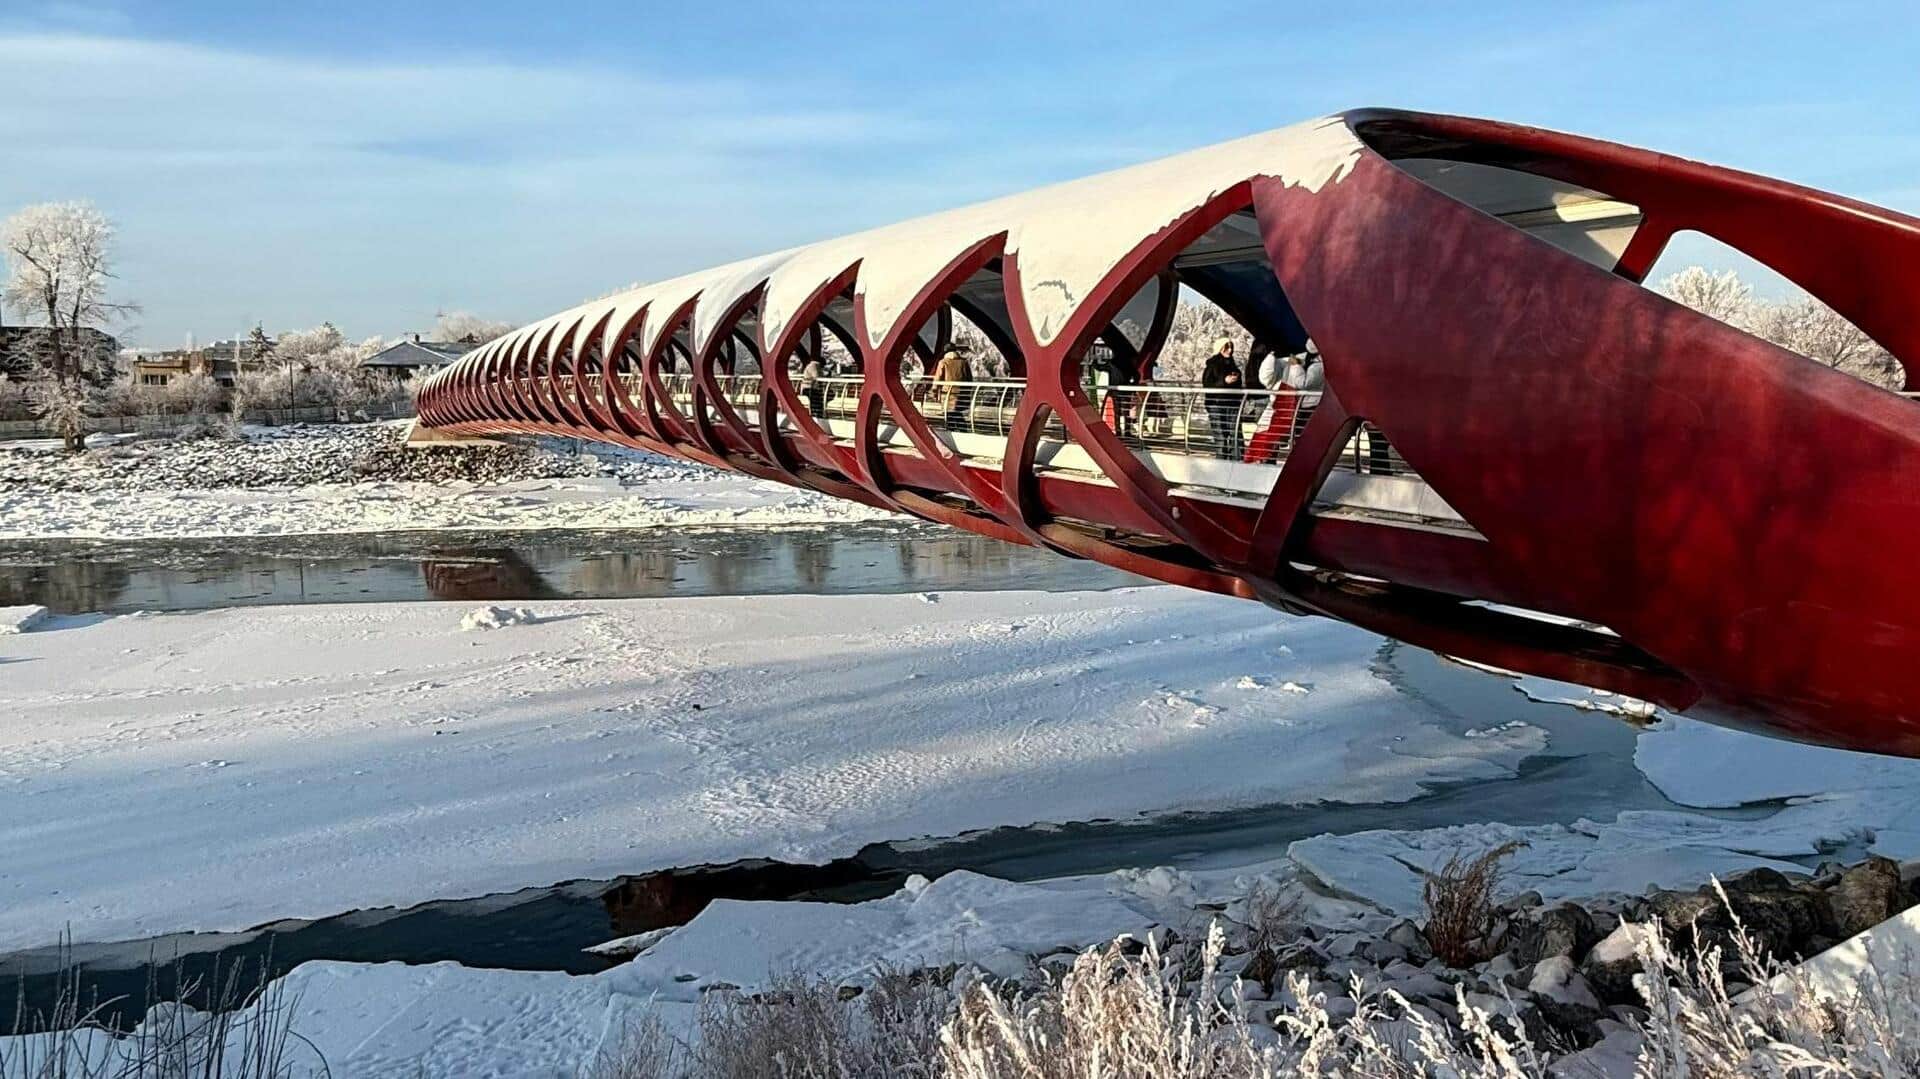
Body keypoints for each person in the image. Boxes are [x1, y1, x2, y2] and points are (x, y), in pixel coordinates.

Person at [1243, 342, 1298, 464]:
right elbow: (1265, 377)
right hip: (1276, 404)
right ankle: (1263, 460)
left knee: (1268, 435)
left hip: (1278, 404)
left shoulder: (1277, 361)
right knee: (1267, 435)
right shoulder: (1277, 361)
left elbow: (1264, 377)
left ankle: (1262, 460)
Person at [1200, 337, 1245, 459]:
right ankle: (1222, 459)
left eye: (1231, 347)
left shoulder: (1232, 364)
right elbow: (1207, 384)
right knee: (1220, 434)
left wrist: (1235, 380)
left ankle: (1238, 460)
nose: (1230, 350)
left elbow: (1238, 384)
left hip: (1233, 403)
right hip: (1216, 403)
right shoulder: (1212, 365)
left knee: (1236, 433)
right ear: (1220, 348)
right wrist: (1224, 381)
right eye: (1227, 347)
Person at [932, 348, 971, 431]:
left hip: (947, 394)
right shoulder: (964, 362)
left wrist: (934, 392)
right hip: (961, 393)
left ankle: (953, 432)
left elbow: (938, 379)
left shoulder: (943, 362)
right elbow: (969, 378)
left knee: (949, 414)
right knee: (957, 413)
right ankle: (963, 431)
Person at [799, 353, 825, 418]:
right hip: (810, 388)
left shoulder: (810, 365)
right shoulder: (814, 366)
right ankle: (817, 415)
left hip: (807, 387)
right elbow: (817, 376)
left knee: (814, 402)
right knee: (816, 401)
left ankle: (816, 414)